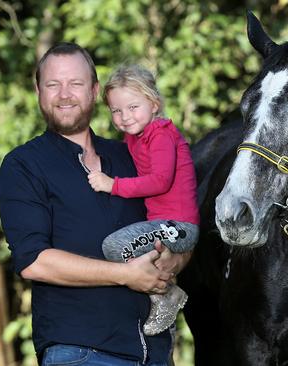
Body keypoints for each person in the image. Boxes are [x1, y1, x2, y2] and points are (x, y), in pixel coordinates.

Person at [0, 42, 190, 366]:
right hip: (80, 352)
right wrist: (124, 275)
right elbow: (34, 261)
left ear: (95, 90)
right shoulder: (24, 165)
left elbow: (178, 219)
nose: (64, 94)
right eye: (53, 84)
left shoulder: (132, 155)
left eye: (76, 83)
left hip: (156, 353)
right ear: (38, 91)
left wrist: (176, 259)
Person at [86, 64, 199, 336]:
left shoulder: (160, 134)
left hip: (179, 225)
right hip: (162, 225)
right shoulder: (133, 137)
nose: (124, 116)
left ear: (154, 103)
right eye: (116, 110)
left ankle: (165, 293)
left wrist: (112, 185)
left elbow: (161, 180)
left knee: (115, 246)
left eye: (133, 107)